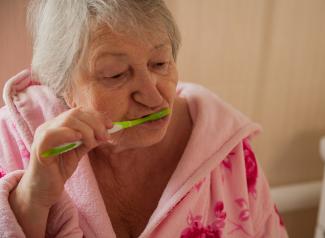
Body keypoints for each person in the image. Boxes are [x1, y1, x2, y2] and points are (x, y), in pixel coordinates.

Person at [0, 0, 288, 237]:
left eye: (160, 63)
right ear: (63, 87)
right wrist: (31, 199)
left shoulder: (228, 144)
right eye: (116, 74)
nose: (154, 97)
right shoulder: (8, 142)